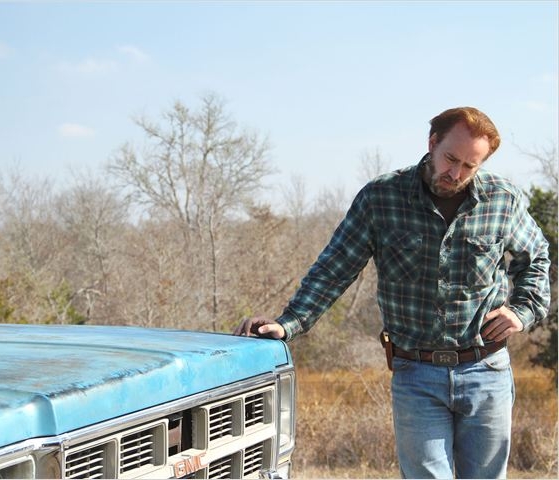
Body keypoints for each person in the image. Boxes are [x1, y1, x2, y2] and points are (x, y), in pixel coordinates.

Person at [234, 107, 551, 479]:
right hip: (417, 373)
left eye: (470, 166)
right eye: (451, 159)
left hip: (487, 370)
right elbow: (335, 268)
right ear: (432, 143)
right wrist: (289, 323)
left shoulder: (502, 200)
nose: (456, 173)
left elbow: (536, 256)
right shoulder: (381, 198)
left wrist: (523, 310)